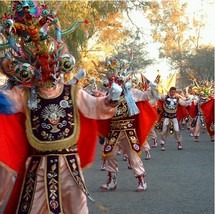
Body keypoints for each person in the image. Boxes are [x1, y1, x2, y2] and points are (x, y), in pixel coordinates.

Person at [0, 2, 122, 213]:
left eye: (50, 63)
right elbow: (6, 102)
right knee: (30, 209)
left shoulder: (73, 92)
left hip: (69, 166)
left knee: (77, 208)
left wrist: (111, 99)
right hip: (37, 166)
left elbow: (96, 107)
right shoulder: (25, 94)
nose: (46, 70)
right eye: (40, 65)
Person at [95, 58, 158, 192]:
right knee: (109, 154)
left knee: (133, 156)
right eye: (113, 82)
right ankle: (112, 181)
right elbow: (100, 104)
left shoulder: (132, 93)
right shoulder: (108, 95)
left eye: (118, 81)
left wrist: (153, 88)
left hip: (128, 130)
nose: (115, 84)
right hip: (113, 131)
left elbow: (148, 96)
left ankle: (141, 180)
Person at [155, 86, 191, 151]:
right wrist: (155, 87)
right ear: (169, 91)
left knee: (177, 130)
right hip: (166, 116)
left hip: (174, 117)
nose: (173, 93)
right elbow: (158, 96)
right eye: (172, 92)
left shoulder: (177, 98)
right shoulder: (165, 97)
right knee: (164, 131)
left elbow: (184, 104)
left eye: (174, 92)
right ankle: (162, 143)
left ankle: (179, 143)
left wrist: (188, 99)